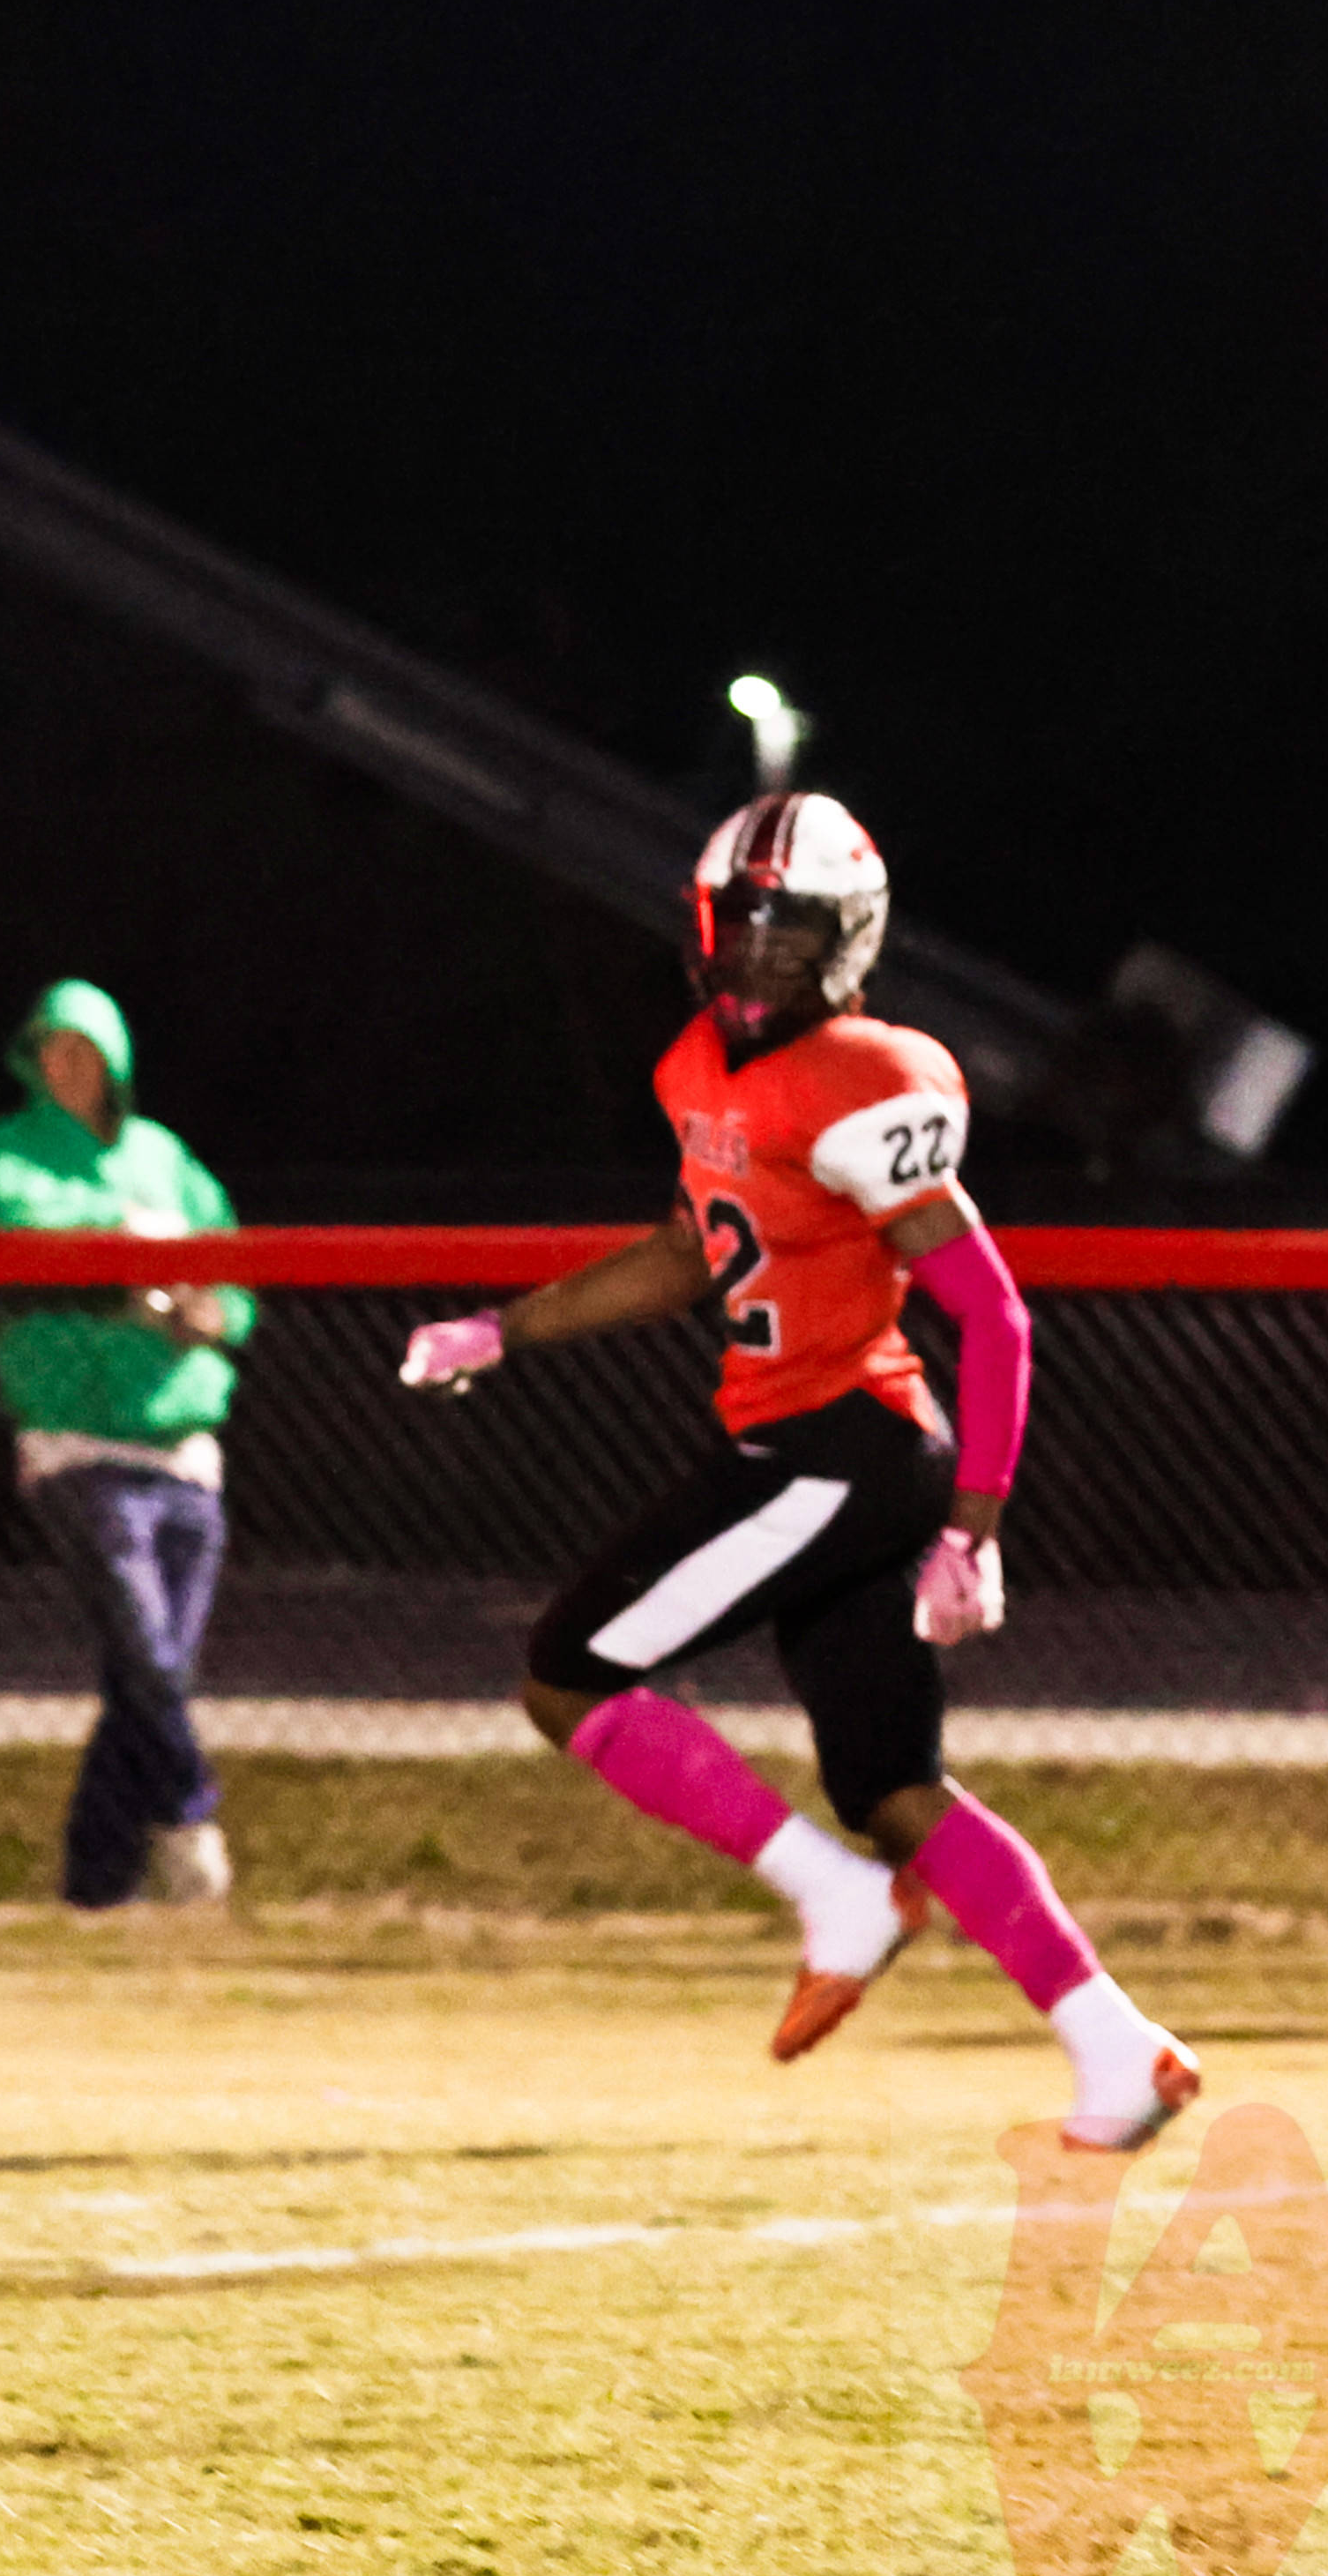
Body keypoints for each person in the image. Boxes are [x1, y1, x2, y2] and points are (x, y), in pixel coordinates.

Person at [396, 793, 1202, 2152]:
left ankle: (837, 1897)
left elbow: (993, 1313)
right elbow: (685, 1249)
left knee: (566, 1672)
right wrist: (507, 1327)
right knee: (893, 1784)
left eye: (793, 930)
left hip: (842, 1447)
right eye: (746, 923)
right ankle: (1120, 2049)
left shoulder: (863, 1076)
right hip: (819, 1445)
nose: (762, 953)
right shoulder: (692, 1066)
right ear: (703, 925)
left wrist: (976, 1525)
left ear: (850, 942)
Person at [0, 979, 254, 1908]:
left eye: (84, 1047)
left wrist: (213, 1311)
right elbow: (20, 1234)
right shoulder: (0, 1150)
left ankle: (95, 1881)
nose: (66, 1062)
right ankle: (190, 1822)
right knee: (150, 1658)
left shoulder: (161, 1154)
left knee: (149, 1672)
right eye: (51, 1046)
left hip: (183, 1444)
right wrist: (126, 1257)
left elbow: (232, 1269)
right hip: (76, 1446)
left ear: (115, 1059)